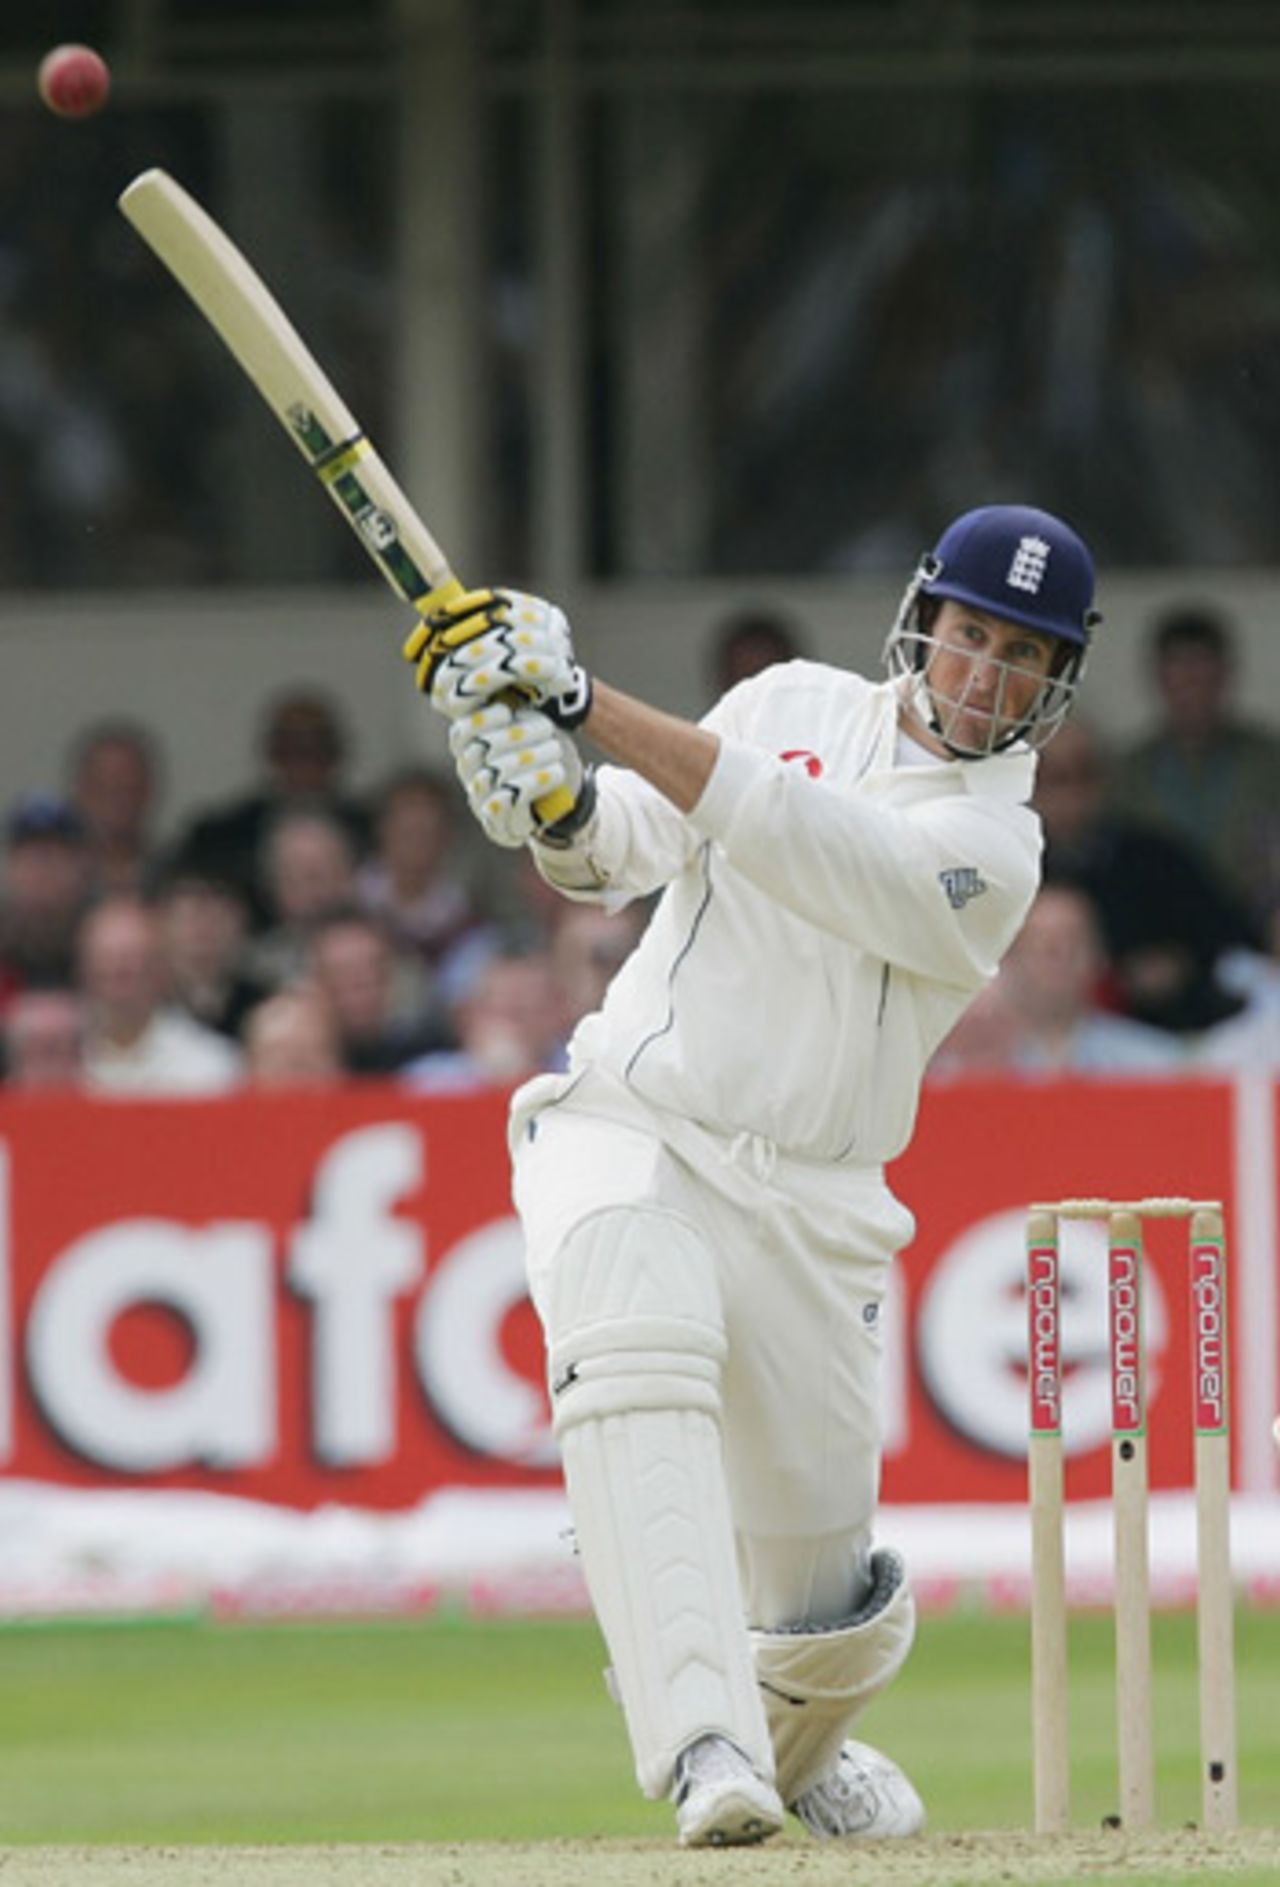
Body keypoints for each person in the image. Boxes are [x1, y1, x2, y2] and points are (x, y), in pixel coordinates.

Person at [401, 505, 1099, 1848]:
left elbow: (795, 837)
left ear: (1056, 681)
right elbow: (623, 848)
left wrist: (583, 696)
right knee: (631, 1330)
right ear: (924, 620)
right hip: (637, 1116)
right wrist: (550, 791)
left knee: (823, 1593)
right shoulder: (791, 697)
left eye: (1025, 654)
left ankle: (798, 1729)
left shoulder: (998, 854)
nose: (988, 675)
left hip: (820, 1206)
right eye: (973, 635)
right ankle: (709, 1743)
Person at [1033, 718, 1255, 1033]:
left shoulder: (1156, 857)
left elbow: (1232, 941)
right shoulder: (1002, 868)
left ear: (1104, 779)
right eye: (1053, 778)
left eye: (1084, 774)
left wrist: (1180, 964)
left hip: (1152, 1043)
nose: (1070, 792)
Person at [1110, 604, 1280, 927]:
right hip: (1160, 930)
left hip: (1258, 924)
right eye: (1179, 675)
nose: (1191, 689)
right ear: (1159, 679)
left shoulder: (1270, 762)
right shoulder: (1127, 772)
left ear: (1225, 675)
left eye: (1201, 674)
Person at [931, 882, 1185, 1078]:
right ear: (1006, 959)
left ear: (1100, 957)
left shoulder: (1156, 1064)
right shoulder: (961, 1065)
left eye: (1072, 941)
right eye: (1038, 943)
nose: (1057, 955)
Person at [77, 895, 243, 1094]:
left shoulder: (212, 1063)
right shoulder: (58, 1059)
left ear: (162, 970)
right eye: (106, 960)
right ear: (84, 971)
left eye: (133, 962)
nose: (118, 974)